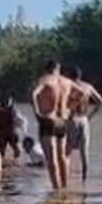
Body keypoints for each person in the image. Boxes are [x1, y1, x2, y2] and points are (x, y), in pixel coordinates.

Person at [32, 59, 73, 191]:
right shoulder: (66, 82)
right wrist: (70, 109)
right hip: (62, 120)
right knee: (62, 156)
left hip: (49, 119)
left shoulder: (46, 80)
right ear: (58, 69)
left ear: (47, 69)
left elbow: (34, 94)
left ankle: (56, 189)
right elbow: (82, 93)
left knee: (51, 158)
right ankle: (65, 186)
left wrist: (37, 113)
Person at [66, 67, 102, 183]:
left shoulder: (68, 86)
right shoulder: (87, 87)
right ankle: (84, 180)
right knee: (84, 151)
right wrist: (90, 116)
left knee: (67, 151)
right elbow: (100, 102)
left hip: (71, 119)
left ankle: (65, 179)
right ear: (80, 76)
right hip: (83, 119)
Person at [0, 95, 23, 162]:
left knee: (2, 150)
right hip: (10, 132)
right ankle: (14, 161)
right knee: (15, 149)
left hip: (4, 133)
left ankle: (3, 162)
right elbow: (19, 121)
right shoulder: (13, 111)